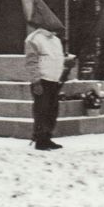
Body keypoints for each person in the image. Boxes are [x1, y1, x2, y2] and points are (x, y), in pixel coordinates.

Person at [25, 22, 74, 151]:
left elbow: (56, 59)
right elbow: (31, 62)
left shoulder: (56, 40)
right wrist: (36, 82)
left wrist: (67, 63)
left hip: (54, 81)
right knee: (42, 110)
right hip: (42, 81)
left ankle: (47, 137)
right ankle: (40, 140)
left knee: (52, 111)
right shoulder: (34, 39)